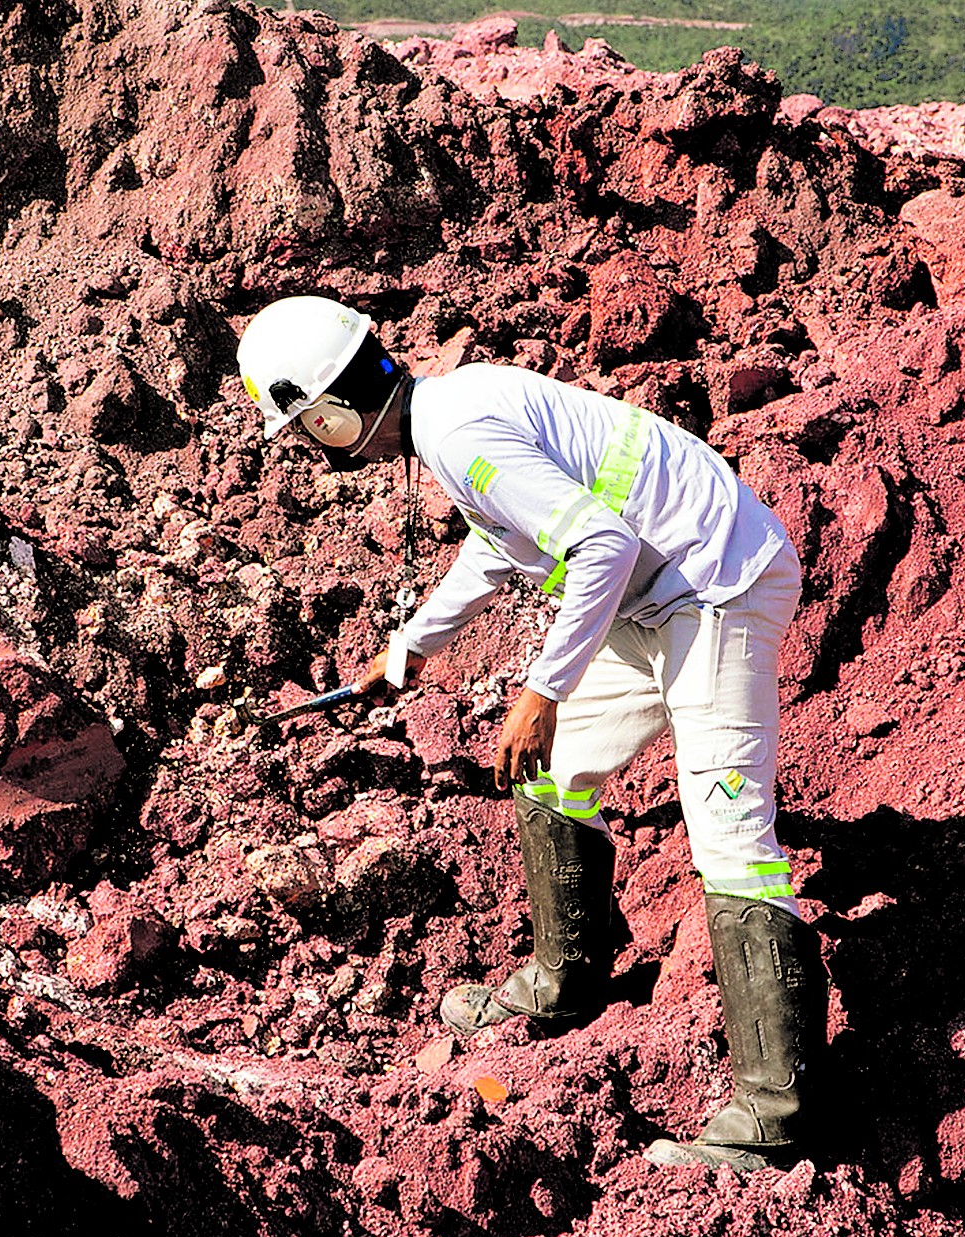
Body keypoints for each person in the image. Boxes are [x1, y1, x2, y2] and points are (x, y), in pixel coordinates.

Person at [235, 295, 826, 1171]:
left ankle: (773, 1120)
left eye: (305, 430)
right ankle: (566, 978)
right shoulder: (449, 416)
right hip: (656, 597)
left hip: (717, 587)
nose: (313, 447)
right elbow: (501, 545)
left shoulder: (458, 431)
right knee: (550, 771)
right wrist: (406, 651)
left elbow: (599, 543)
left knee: (730, 835)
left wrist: (543, 688)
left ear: (326, 413)